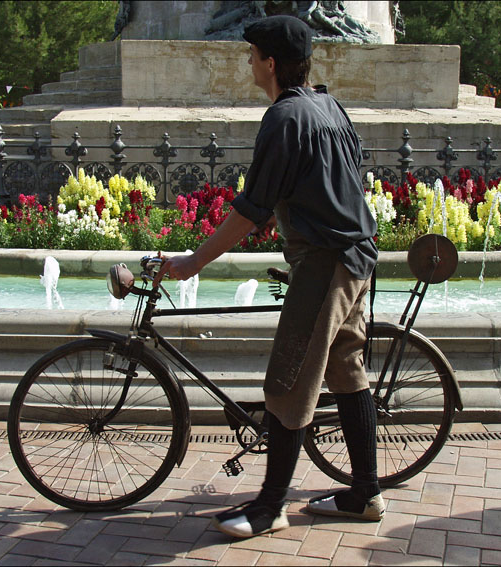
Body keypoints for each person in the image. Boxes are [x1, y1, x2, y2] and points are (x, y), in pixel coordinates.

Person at [155, 15, 383, 538]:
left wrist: (194, 261)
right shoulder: (329, 105)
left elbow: (250, 209)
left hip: (325, 260)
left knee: (288, 378)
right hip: (356, 254)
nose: (248, 63)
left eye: (252, 54)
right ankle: (364, 494)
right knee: (346, 371)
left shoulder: (285, 118)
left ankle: (270, 506)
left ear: (271, 63)